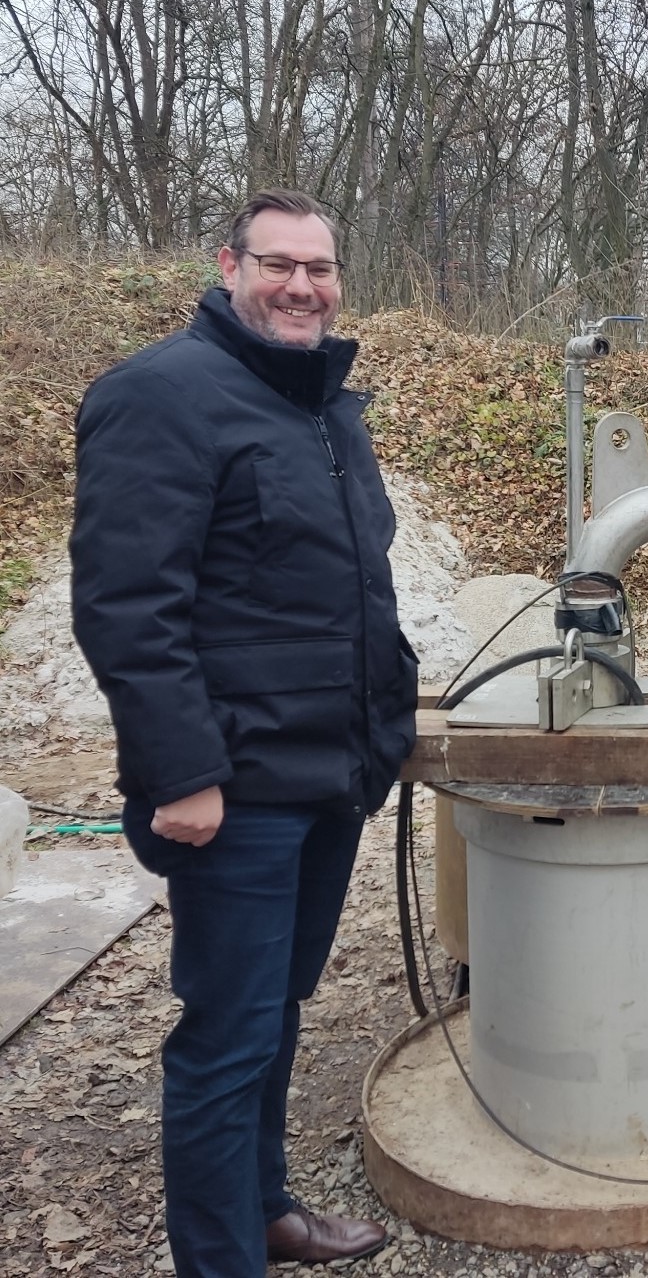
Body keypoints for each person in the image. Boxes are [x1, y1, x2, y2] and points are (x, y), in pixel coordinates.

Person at [70, 189, 418, 1276]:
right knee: (224, 1039)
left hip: (328, 773)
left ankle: (265, 1208)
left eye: (320, 268)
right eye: (280, 264)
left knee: (276, 1010)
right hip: (235, 790)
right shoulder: (159, 396)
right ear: (229, 264)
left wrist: (387, 728)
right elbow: (128, 604)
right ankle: (222, 1260)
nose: (302, 286)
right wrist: (182, 772)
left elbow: (347, 591)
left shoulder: (325, 406)